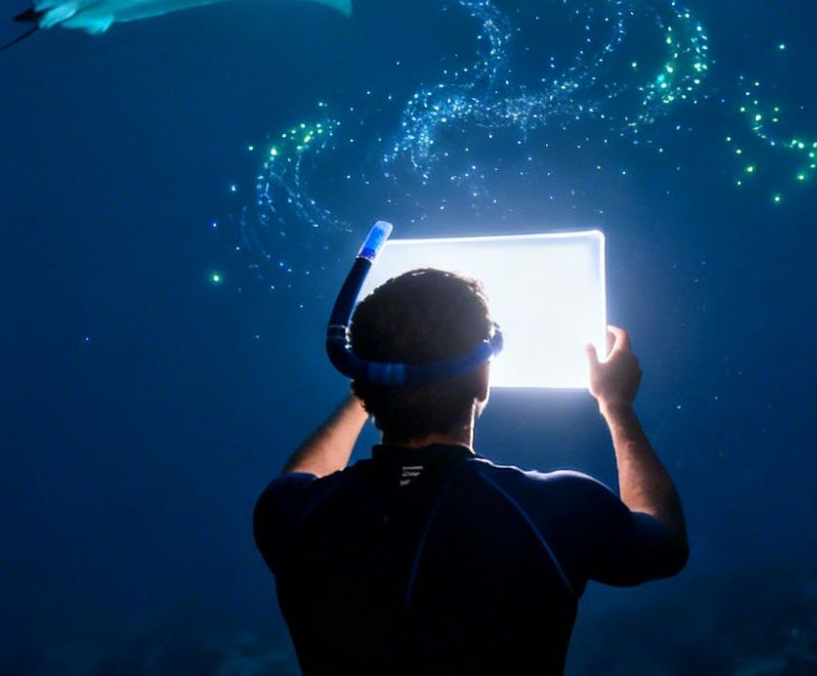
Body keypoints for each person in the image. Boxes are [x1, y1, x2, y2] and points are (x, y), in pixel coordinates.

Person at [253, 268, 688, 675]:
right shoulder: (555, 510)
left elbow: (302, 477)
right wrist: (617, 407)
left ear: (362, 384)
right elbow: (665, 541)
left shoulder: (293, 515)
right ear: (482, 379)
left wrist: (377, 379)